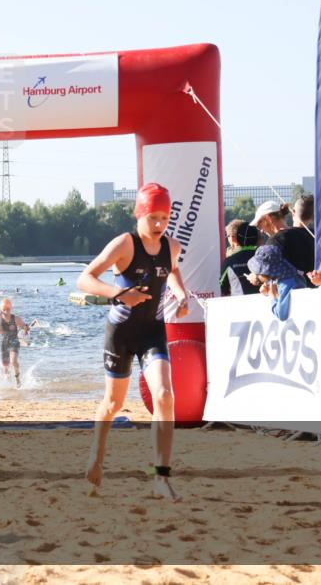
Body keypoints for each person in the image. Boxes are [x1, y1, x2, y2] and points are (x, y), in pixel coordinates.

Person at [76, 182, 189, 502]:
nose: (158, 225)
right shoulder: (124, 244)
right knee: (113, 404)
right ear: (139, 215)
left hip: (153, 332)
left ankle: (161, 478)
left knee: (165, 396)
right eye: (152, 217)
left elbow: (174, 271)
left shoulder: (172, 246)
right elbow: (85, 278)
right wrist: (121, 293)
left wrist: (181, 294)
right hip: (121, 334)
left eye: (164, 219)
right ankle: (96, 457)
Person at [251, 200, 315, 283]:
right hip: (319, 291)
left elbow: (271, 275)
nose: (261, 231)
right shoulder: (311, 233)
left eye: (259, 225)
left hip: (292, 293)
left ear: (268, 218)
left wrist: (257, 278)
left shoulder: (274, 242)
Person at [247, 245, 306, 321]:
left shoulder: (287, 284)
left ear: (265, 272)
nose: (256, 274)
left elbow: (282, 315)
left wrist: (271, 295)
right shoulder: (286, 275)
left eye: (257, 272)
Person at [219, 220, 260, 296]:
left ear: (236, 237)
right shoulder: (265, 255)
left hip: (239, 304)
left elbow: (223, 288)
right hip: (265, 303)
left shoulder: (229, 261)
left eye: (228, 236)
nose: (230, 240)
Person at [0, 298, 29, 386]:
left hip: (14, 341)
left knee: (13, 361)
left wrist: (26, 329)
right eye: (4, 309)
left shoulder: (16, 318)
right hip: (5, 343)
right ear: (1, 310)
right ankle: (7, 383)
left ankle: (18, 379)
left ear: (11, 308)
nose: (6, 311)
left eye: (8, 309)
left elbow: (24, 325)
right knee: (5, 366)